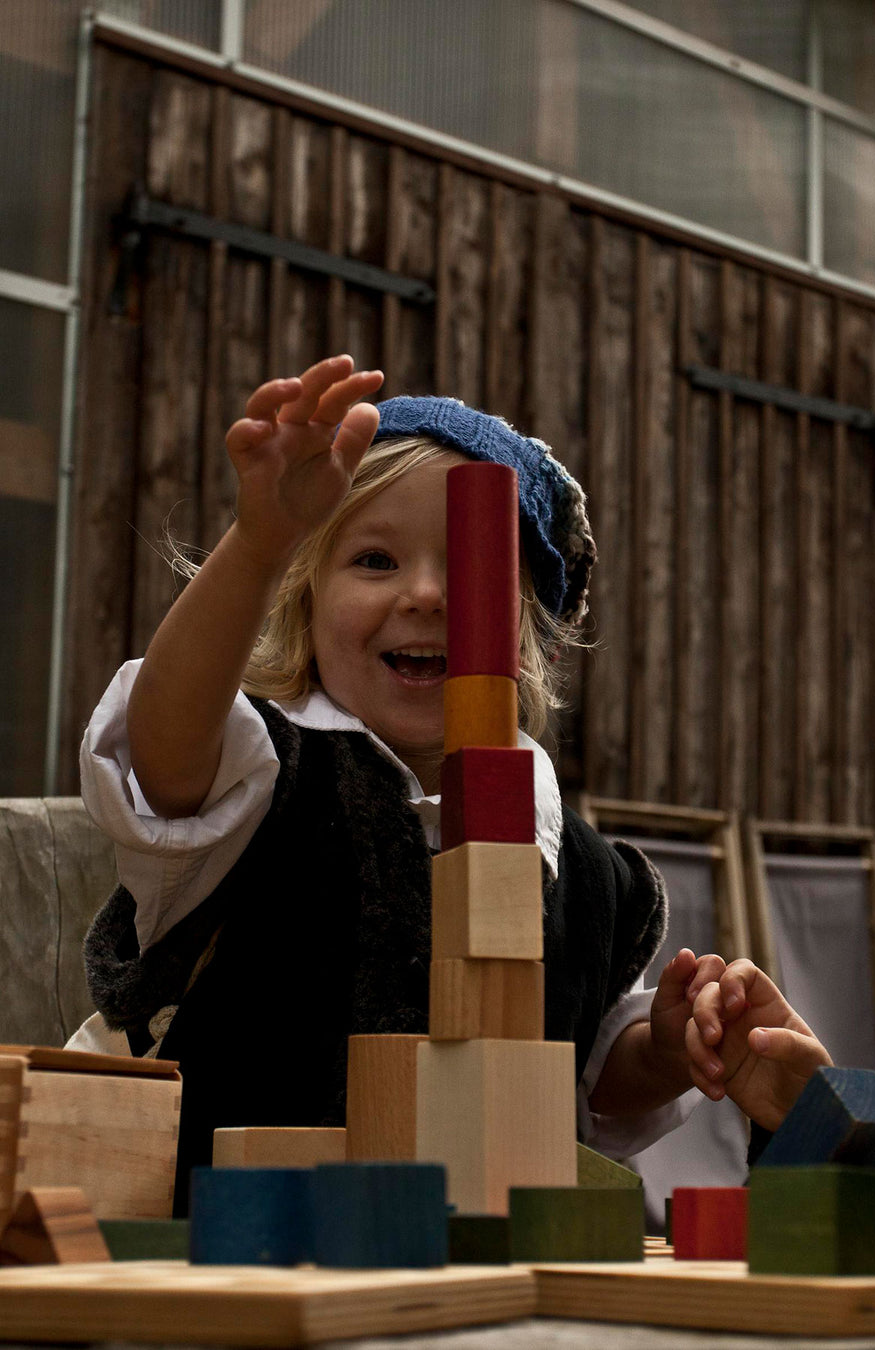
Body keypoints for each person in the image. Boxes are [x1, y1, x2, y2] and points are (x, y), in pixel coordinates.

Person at [74, 354, 830, 1211]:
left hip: (459, 1267)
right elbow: (165, 745)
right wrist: (258, 544)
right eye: (374, 561)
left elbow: (565, 1060)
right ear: (303, 605)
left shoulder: (576, 863)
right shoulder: (255, 770)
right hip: (218, 1252)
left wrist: (662, 1051)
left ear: (533, 637)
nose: (427, 594)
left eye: (472, 569)